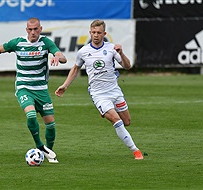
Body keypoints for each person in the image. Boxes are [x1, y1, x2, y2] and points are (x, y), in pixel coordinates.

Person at [0, 17, 67, 163]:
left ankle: (49, 151)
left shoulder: (46, 42)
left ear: (40, 29)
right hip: (24, 87)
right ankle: (39, 146)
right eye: (30, 29)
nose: (33, 32)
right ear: (26, 30)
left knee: (50, 124)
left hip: (41, 89)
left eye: (36, 29)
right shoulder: (18, 43)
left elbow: (63, 57)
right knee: (30, 115)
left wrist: (56, 56)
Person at [55, 20, 143, 160]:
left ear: (104, 33)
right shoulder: (83, 51)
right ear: (90, 33)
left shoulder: (112, 48)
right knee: (116, 120)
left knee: (126, 122)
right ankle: (136, 151)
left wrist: (122, 53)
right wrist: (65, 85)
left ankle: (105, 111)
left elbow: (127, 66)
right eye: (93, 32)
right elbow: (76, 68)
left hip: (115, 91)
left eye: (99, 33)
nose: (96, 35)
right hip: (98, 94)